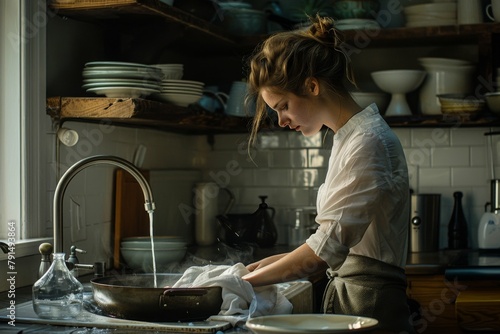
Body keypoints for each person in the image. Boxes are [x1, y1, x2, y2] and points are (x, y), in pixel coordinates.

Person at [241, 16, 414, 334]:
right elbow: (329, 242)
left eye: (283, 106)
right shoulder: (348, 136)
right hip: (356, 298)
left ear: (311, 85)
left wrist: (238, 283)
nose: (281, 121)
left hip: (369, 304)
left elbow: (325, 252)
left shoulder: (367, 141)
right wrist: (266, 266)